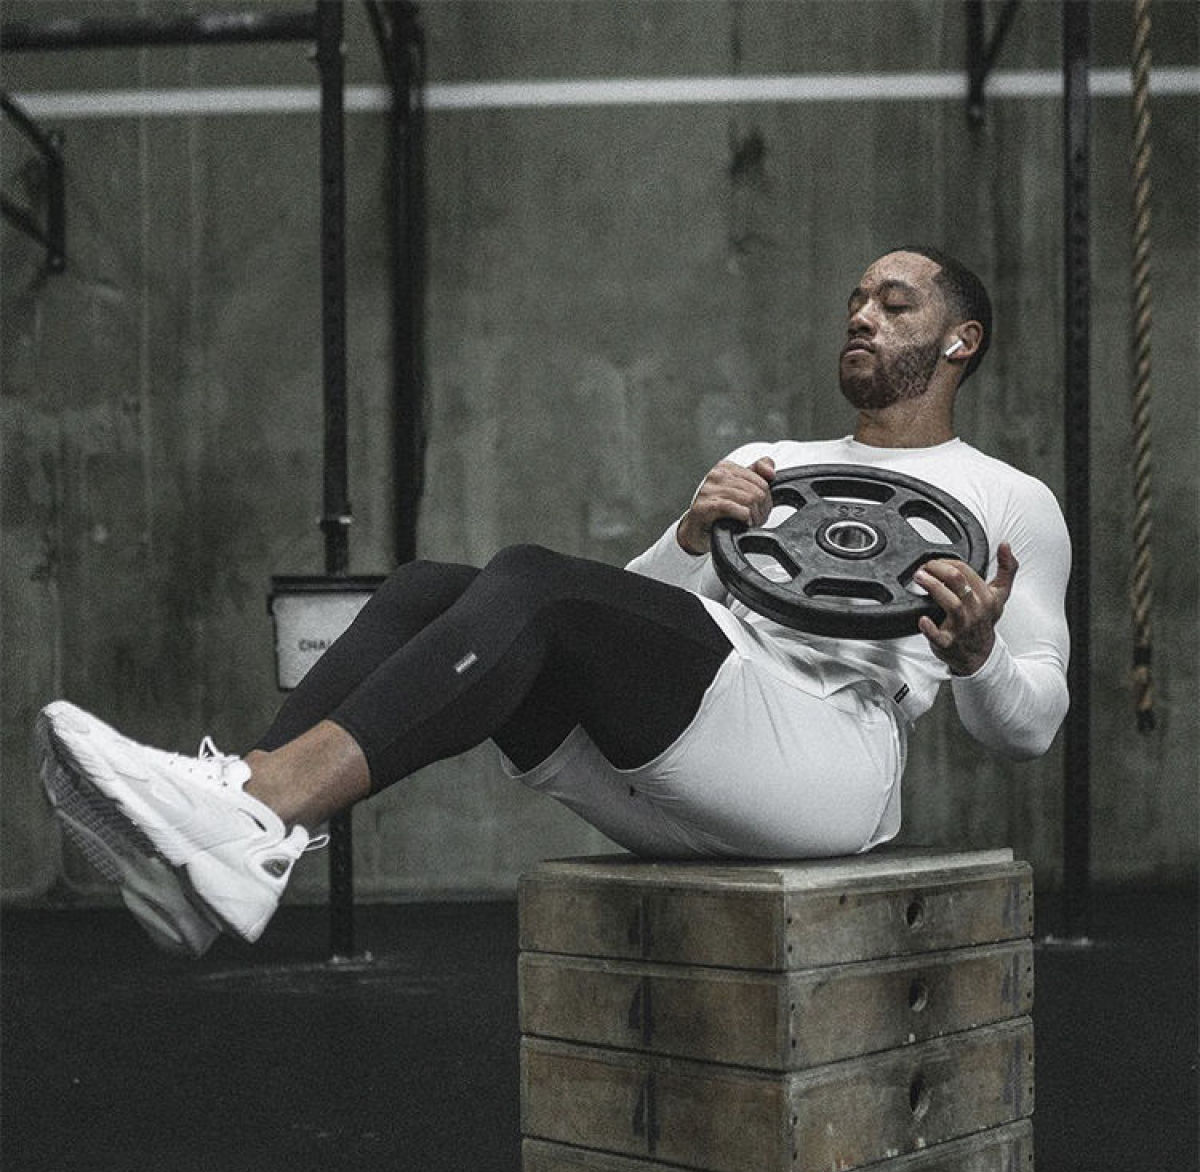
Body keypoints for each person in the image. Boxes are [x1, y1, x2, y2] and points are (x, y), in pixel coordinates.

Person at [35, 246, 1070, 958]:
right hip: (688, 755)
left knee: (529, 580)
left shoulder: (1007, 498)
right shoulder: (775, 462)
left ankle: (254, 810)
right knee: (432, 589)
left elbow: (1030, 728)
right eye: (855, 299)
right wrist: (693, 534)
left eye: (895, 303)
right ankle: (230, 850)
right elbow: (628, 617)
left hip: (823, 769)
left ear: (960, 341)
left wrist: (978, 656)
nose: (860, 315)